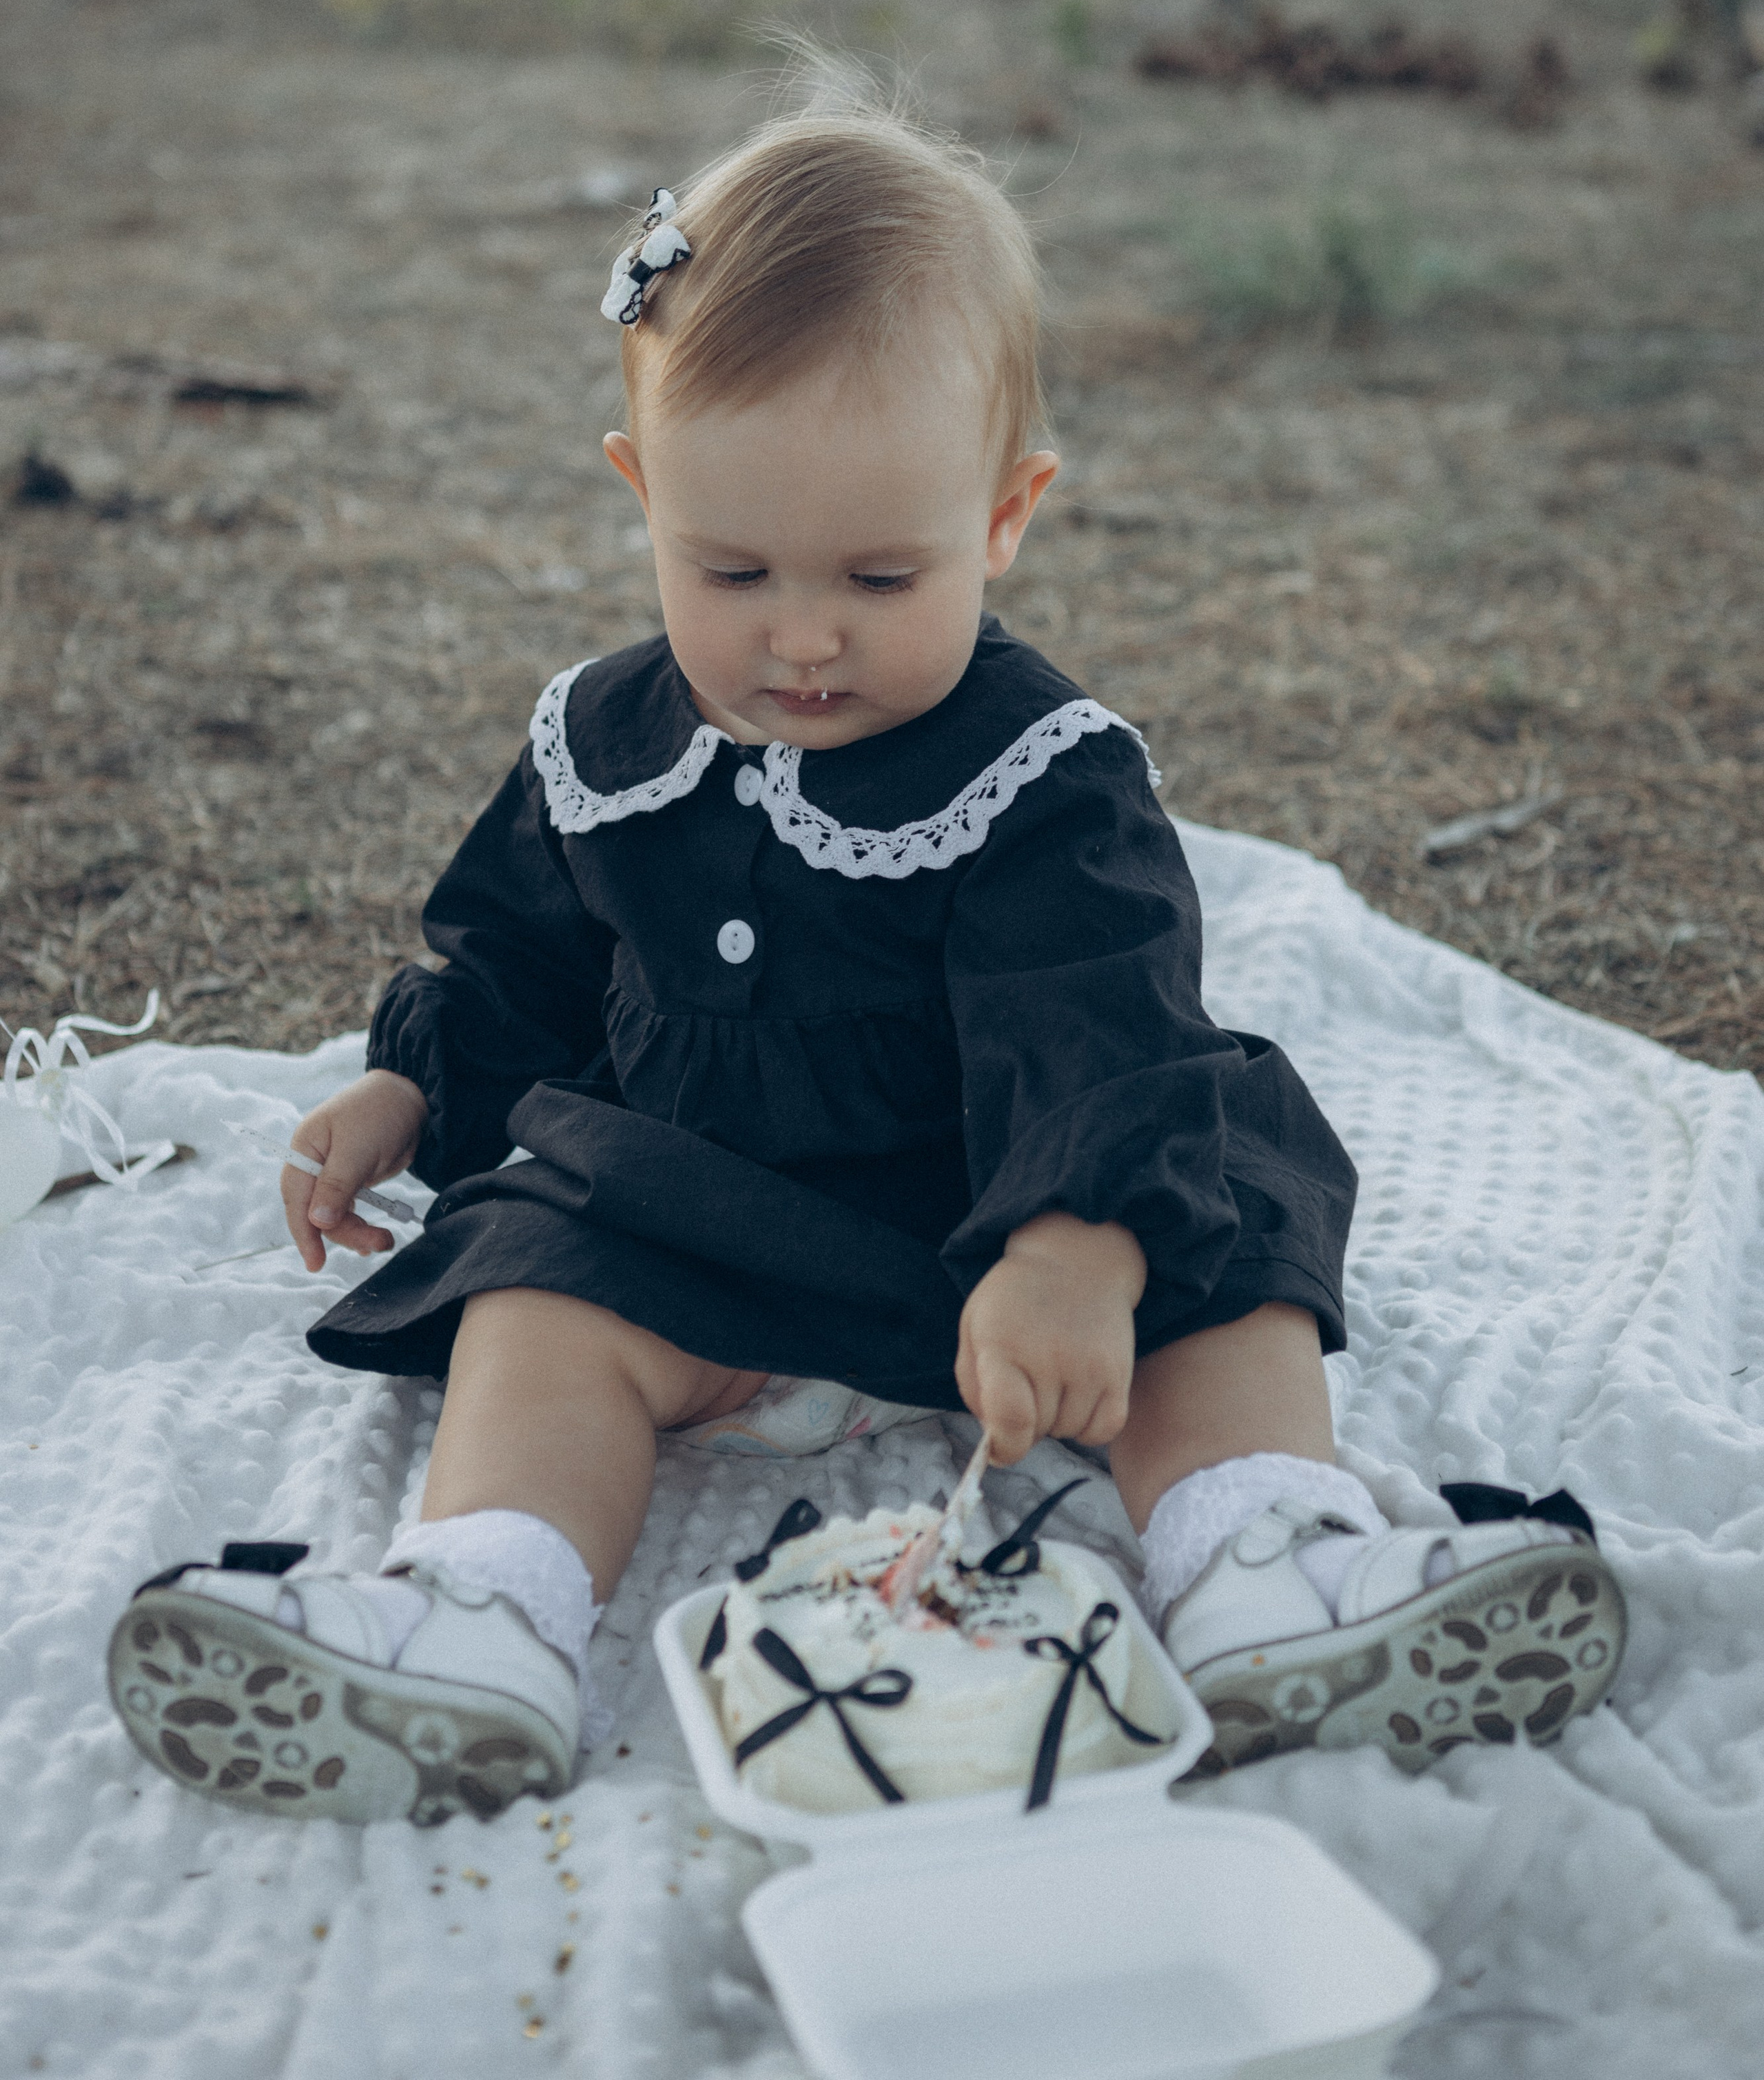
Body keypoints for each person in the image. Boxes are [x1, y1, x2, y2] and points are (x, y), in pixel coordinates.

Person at [108, 108, 1625, 1827]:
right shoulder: (604, 742)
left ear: (1005, 517)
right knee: (532, 1297)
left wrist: (1075, 1243)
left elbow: (1102, 1022)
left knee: (1229, 1237)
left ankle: (1270, 1558)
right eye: (731, 568)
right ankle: (482, 1613)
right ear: (641, 494)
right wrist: (410, 1079)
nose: (804, 633)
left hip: (1011, 1226)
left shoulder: (1041, 776)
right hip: (700, 1225)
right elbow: (518, 958)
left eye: (879, 574)